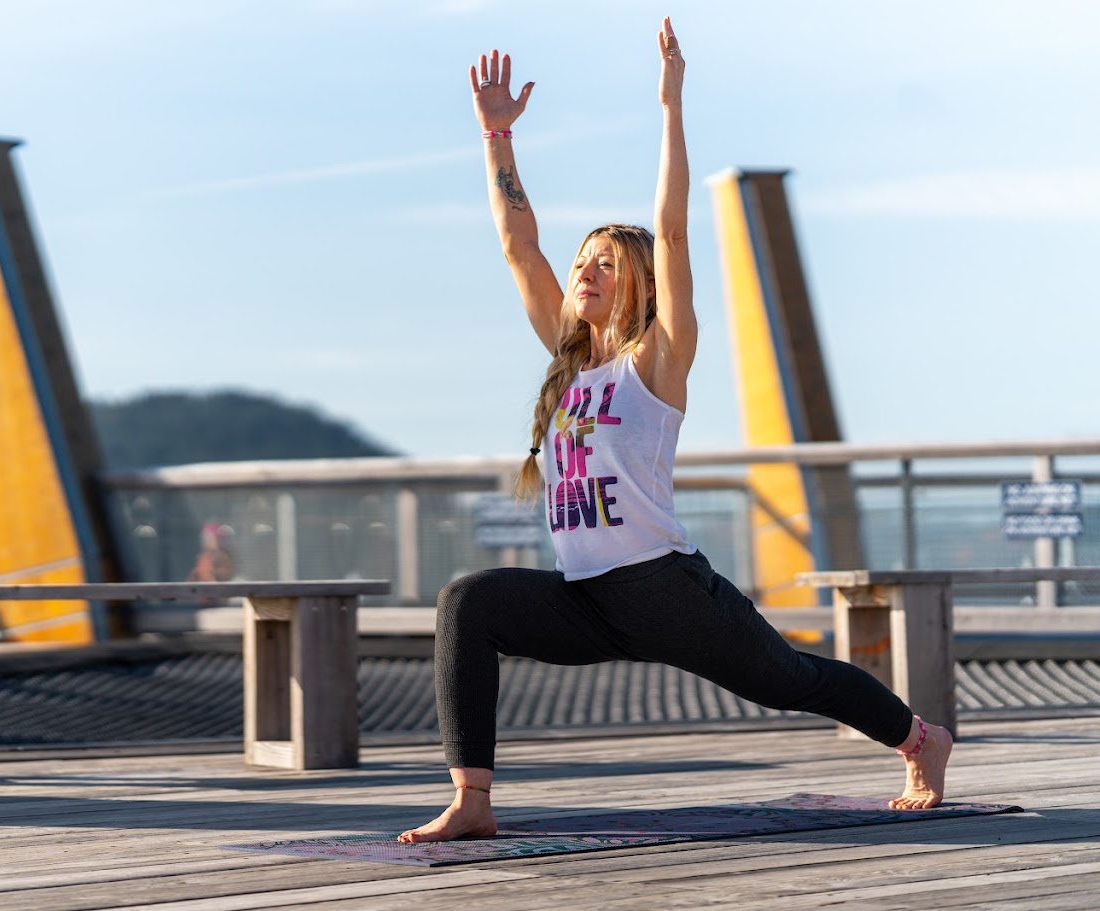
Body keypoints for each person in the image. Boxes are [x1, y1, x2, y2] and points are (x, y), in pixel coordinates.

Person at [399, 18, 952, 844]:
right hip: (587, 596)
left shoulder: (654, 362)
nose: (585, 270)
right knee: (468, 602)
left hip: (666, 589)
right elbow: (518, 243)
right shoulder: (567, 361)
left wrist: (670, 106)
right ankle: (472, 797)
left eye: (606, 263)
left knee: (791, 679)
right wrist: (497, 135)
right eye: (582, 260)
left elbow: (675, 228)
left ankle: (920, 738)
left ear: (640, 287)